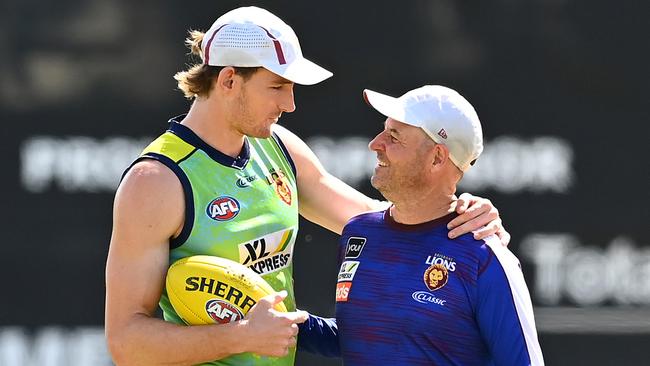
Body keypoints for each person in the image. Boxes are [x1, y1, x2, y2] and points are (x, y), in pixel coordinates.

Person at [104, 6, 511, 366]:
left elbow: (388, 225)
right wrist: (240, 336)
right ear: (228, 80)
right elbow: (126, 344)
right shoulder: (156, 181)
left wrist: (462, 217)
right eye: (278, 87)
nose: (290, 104)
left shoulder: (280, 148)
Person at [300, 85, 544, 365]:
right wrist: (290, 324)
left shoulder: (485, 258)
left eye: (394, 136)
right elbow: (364, 337)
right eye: (384, 130)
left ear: (437, 157)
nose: (376, 144)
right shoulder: (360, 233)